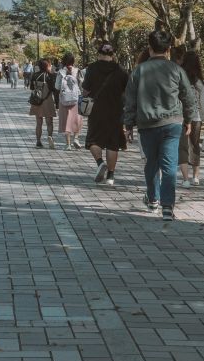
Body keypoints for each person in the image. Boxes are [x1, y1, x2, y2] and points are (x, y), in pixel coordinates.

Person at [124, 30, 196, 221]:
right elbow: (188, 97)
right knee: (169, 164)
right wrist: (188, 120)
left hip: (147, 124)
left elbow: (130, 99)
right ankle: (167, 205)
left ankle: (153, 198)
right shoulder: (176, 70)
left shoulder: (139, 70)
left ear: (149, 48)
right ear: (169, 49)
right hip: (172, 123)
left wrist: (128, 125)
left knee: (151, 163)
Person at [82, 43, 129, 184]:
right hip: (116, 111)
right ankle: (111, 176)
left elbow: (85, 90)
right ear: (113, 54)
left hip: (96, 110)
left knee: (93, 140)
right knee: (113, 143)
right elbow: (127, 90)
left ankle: (100, 163)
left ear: (99, 53)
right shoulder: (121, 70)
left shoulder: (92, 68)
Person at [177, 49, 204, 187]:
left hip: (180, 117)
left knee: (182, 147)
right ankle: (196, 177)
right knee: (195, 146)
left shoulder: (179, 79)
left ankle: (185, 179)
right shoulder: (201, 83)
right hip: (196, 117)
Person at [55, 52, 84, 149]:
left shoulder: (61, 72)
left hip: (64, 99)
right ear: (73, 60)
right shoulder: (77, 71)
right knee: (77, 118)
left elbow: (57, 86)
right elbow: (82, 84)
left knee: (66, 120)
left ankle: (68, 144)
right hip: (76, 98)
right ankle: (76, 138)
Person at [27, 57, 58, 147]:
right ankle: (50, 137)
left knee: (39, 122)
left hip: (37, 100)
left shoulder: (35, 75)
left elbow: (32, 88)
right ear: (47, 66)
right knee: (49, 122)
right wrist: (57, 103)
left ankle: (38, 141)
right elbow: (54, 90)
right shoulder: (50, 76)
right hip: (47, 100)